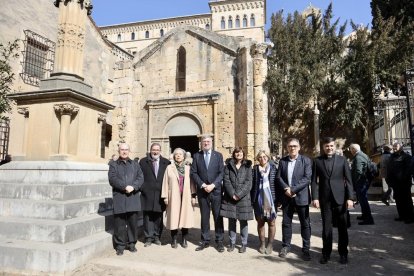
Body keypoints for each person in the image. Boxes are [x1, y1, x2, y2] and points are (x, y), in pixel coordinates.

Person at [312, 137, 355, 265]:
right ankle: (326, 253)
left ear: (334, 147)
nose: (329, 148)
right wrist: (314, 197)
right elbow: (313, 181)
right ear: (323, 147)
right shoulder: (317, 161)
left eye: (331, 146)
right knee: (326, 228)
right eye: (326, 146)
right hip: (325, 199)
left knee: (342, 227)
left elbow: (348, 180)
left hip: (341, 199)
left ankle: (343, 253)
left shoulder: (342, 160)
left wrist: (350, 198)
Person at [276, 138, 312, 261]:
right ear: (287, 148)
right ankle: (286, 246)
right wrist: (286, 189)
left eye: (295, 146)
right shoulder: (283, 161)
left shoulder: (305, 160)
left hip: (301, 197)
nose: (292, 148)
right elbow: (278, 177)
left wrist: (293, 190)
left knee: (305, 224)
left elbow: (307, 178)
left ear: (299, 147)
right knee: (286, 223)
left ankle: (306, 249)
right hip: (286, 197)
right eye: (290, 146)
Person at [108, 143, 144, 256]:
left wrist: (133, 187)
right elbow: (112, 179)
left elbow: (140, 177)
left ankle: (132, 243)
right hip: (120, 197)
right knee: (119, 224)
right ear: (119, 151)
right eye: (122, 149)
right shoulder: (113, 165)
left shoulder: (135, 164)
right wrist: (125, 186)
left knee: (133, 223)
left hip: (132, 197)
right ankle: (120, 246)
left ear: (129, 151)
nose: (124, 151)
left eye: (126, 149)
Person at [190, 135, 225, 252]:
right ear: (201, 143)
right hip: (202, 191)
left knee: (217, 216)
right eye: (204, 141)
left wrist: (213, 185)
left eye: (208, 141)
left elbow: (221, 173)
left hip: (216, 190)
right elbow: (193, 173)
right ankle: (205, 240)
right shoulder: (197, 156)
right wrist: (203, 185)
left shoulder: (218, 156)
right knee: (204, 217)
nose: (206, 143)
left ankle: (219, 241)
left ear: (212, 142)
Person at [161, 148, 197, 248]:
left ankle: (184, 239)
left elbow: (192, 183)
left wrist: (193, 196)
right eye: (176, 154)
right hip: (173, 196)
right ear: (173, 156)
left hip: (185, 196)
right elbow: (165, 182)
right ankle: (174, 239)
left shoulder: (188, 168)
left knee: (185, 217)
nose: (178, 156)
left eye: (180, 154)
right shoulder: (169, 168)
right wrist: (165, 197)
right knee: (173, 217)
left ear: (184, 156)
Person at [220, 147, 253, 253]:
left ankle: (243, 244)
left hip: (243, 198)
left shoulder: (248, 166)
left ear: (243, 154)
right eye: (237, 152)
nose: (239, 154)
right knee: (232, 221)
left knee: (243, 222)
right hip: (231, 198)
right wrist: (232, 194)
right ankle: (232, 243)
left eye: (241, 152)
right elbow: (226, 180)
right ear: (234, 154)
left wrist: (239, 194)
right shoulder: (228, 166)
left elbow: (249, 182)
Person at [139, 143, 170, 247]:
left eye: (157, 150)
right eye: (153, 150)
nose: (155, 151)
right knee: (147, 217)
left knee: (158, 217)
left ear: (160, 151)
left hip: (160, 194)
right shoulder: (143, 161)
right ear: (150, 150)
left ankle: (157, 237)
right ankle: (148, 238)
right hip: (147, 194)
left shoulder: (166, 162)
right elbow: (139, 176)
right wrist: (142, 188)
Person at [251, 150, 278, 254]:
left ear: (268, 157)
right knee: (260, 222)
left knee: (271, 222)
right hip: (258, 199)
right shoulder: (255, 169)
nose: (262, 159)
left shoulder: (274, 168)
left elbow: (277, 184)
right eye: (260, 157)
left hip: (271, 199)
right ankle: (262, 243)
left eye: (264, 156)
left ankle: (270, 244)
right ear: (258, 159)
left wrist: (278, 200)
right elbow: (252, 185)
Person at [386, 142, 414, 224]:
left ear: (401, 147)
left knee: (407, 200)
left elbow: (408, 170)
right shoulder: (392, 156)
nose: (394, 148)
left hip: (404, 183)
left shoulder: (406, 157)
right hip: (395, 183)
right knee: (398, 200)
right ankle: (401, 215)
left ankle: (410, 217)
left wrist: (402, 179)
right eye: (394, 146)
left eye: (396, 146)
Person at [349, 144, 374, 225]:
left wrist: (354, 183)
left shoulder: (358, 157)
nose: (350, 151)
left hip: (361, 182)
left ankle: (368, 219)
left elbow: (358, 172)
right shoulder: (362, 154)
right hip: (364, 181)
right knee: (362, 200)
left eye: (350, 149)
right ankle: (365, 215)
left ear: (353, 149)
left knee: (363, 200)